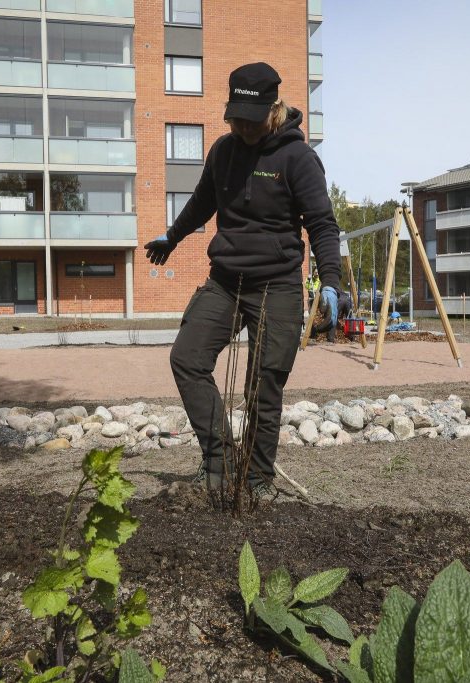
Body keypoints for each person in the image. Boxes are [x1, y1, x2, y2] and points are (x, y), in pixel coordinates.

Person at [144, 62, 341, 497]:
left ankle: (256, 483)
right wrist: (172, 236)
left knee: (262, 385)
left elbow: (323, 225)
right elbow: (201, 203)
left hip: (279, 285)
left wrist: (331, 280)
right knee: (187, 358)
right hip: (225, 281)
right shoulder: (223, 151)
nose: (244, 129)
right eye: (236, 119)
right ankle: (219, 460)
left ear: (273, 110)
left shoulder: (298, 158)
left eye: (251, 122)